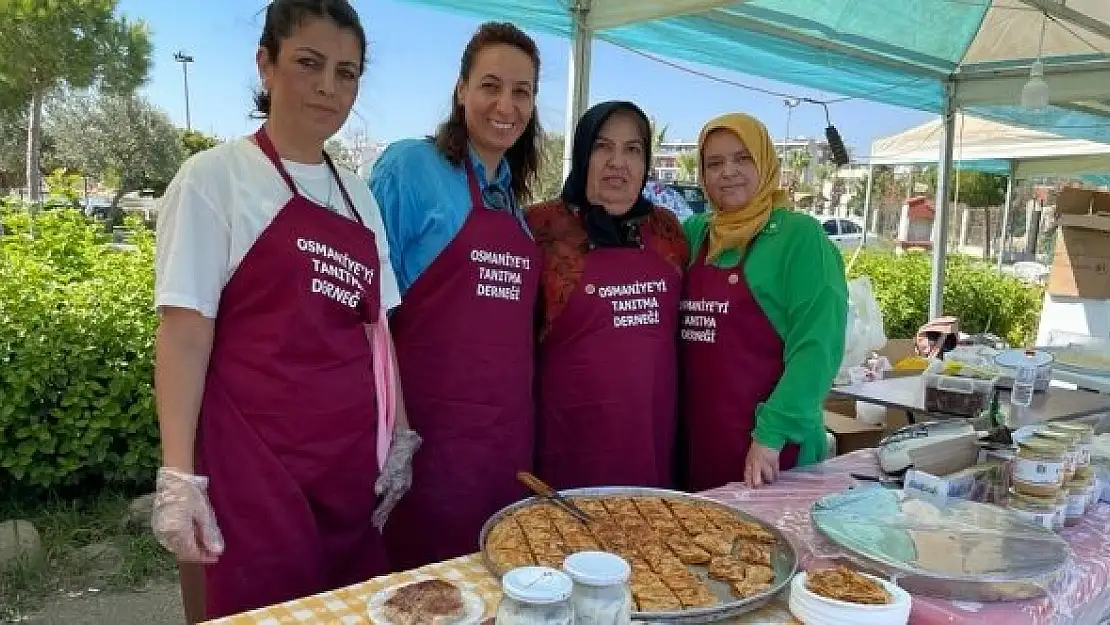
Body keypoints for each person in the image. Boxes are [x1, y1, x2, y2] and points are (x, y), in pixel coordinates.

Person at [150, 1, 420, 619]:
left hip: (350, 467)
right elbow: (184, 337)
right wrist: (178, 476)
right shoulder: (215, 180)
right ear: (266, 65)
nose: (329, 86)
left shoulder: (358, 194)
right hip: (254, 472)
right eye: (309, 63)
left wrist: (400, 434)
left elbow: (378, 331)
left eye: (347, 72)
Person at [368, 22, 542, 570]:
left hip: (505, 441)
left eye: (522, 91)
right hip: (429, 440)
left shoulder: (512, 199)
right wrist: (393, 432)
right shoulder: (411, 167)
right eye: (490, 85)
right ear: (461, 89)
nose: (506, 105)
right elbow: (368, 308)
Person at [678, 112, 847, 492]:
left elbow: (817, 348)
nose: (728, 172)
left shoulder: (799, 238)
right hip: (700, 442)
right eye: (714, 163)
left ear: (765, 162)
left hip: (772, 452)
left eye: (742, 158)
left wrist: (771, 435)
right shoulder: (694, 235)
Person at [527, 101, 688, 490]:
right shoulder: (540, 228)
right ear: (582, 154)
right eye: (603, 146)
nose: (618, 162)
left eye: (632, 149)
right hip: (566, 446)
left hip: (649, 443)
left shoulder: (668, 232)